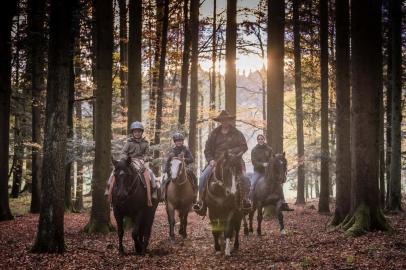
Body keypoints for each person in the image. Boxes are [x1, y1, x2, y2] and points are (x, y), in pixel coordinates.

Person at [193, 110, 251, 216]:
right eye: (222, 120)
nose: (224, 122)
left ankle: (245, 200)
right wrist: (210, 160)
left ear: (229, 121)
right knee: (202, 178)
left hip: (234, 161)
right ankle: (201, 202)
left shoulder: (237, 133)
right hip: (216, 162)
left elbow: (244, 146)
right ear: (220, 121)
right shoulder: (214, 133)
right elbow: (207, 149)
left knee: (245, 178)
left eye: (226, 120)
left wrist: (232, 153)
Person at [105, 121, 155, 207]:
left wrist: (145, 158)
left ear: (141, 132)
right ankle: (108, 188)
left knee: (149, 172)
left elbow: (147, 154)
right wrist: (125, 159)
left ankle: (153, 190)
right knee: (115, 170)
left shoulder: (145, 143)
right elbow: (123, 152)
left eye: (139, 132)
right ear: (132, 133)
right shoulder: (129, 142)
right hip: (129, 161)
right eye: (135, 132)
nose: (137, 133)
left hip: (141, 161)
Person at [251, 134, 293, 211]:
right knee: (252, 184)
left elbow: (272, 159)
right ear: (257, 140)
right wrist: (262, 164)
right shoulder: (254, 150)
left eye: (262, 139)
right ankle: (251, 202)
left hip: (268, 172)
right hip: (258, 172)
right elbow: (254, 162)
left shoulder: (269, 149)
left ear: (264, 140)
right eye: (259, 139)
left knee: (278, 183)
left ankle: (283, 202)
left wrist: (270, 163)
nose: (260, 140)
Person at [161, 132, 197, 198]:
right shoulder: (171, 151)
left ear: (182, 141)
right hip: (173, 169)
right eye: (177, 141)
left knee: (194, 177)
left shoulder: (186, 149)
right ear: (175, 142)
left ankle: (194, 194)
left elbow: (191, 159)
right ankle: (163, 194)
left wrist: (184, 159)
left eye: (180, 141)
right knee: (165, 179)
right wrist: (165, 171)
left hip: (184, 168)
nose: (179, 142)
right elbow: (166, 161)